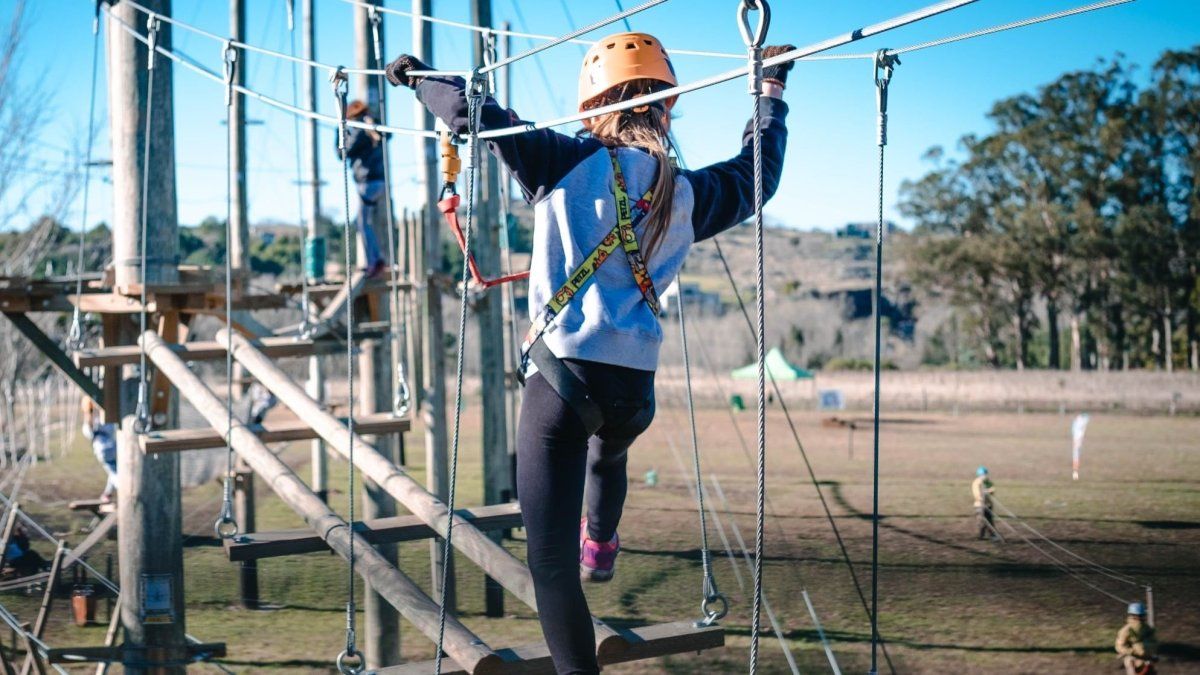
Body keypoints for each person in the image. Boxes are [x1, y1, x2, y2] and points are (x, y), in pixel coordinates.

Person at [385, 32, 792, 675]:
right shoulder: (683, 193)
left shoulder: (559, 159)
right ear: (664, 108)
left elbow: (472, 111)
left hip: (561, 381)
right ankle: (600, 540)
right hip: (633, 388)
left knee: (549, 568)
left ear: (594, 109)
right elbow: (756, 176)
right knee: (609, 450)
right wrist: (770, 94)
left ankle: (585, 603)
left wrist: (416, 77)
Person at [337, 99, 388, 278]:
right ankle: (376, 258)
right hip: (379, 180)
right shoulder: (374, 129)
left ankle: (374, 261)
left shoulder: (359, 132)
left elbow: (343, 153)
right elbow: (387, 136)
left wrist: (340, 131)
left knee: (362, 223)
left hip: (367, 182)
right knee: (366, 222)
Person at [81, 400, 118, 503]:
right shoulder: (107, 419)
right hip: (115, 447)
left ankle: (123, 491)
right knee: (115, 471)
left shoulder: (91, 423)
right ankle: (107, 494)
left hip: (103, 450)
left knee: (114, 473)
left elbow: (88, 433)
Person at [1116, 602, 1158, 675]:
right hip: (1132, 659)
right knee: (1130, 664)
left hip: (1147, 658)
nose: (1140, 618)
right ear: (1132, 616)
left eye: (1141, 615)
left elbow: (1154, 642)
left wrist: (1150, 651)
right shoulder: (1126, 630)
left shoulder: (1147, 629)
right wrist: (1131, 651)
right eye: (1137, 616)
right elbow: (1120, 646)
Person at [972, 465, 998, 540]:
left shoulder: (988, 482)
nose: (984, 476)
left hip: (988, 504)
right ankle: (980, 535)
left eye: (985, 474)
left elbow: (993, 489)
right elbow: (977, 494)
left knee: (990, 520)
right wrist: (984, 493)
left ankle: (992, 535)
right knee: (981, 521)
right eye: (983, 475)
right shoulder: (976, 483)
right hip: (980, 505)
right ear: (979, 475)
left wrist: (988, 491)